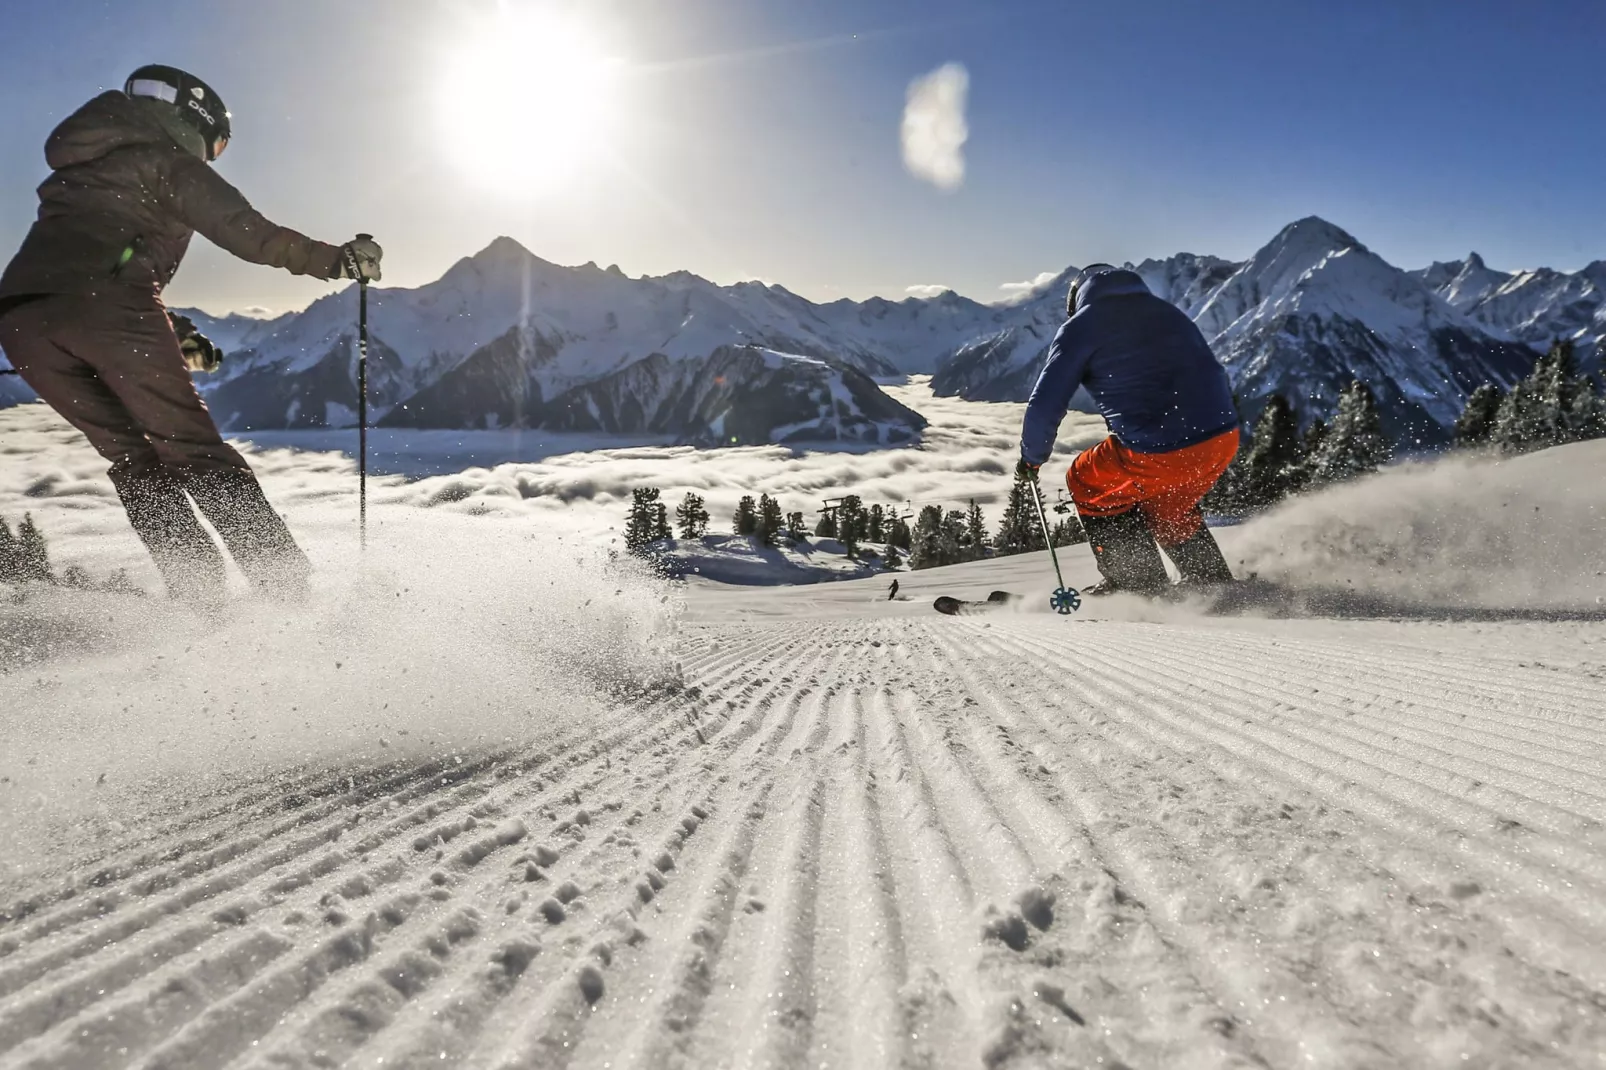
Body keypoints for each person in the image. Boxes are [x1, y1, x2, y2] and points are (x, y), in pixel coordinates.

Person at [0, 65, 382, 606]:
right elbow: (246, 231)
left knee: (135, 461)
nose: (213, 154)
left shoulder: (80, 166)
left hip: (19, 321)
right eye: (218, 144)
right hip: (110, 310)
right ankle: (287, 593)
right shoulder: (169, 161)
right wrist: (336, 261)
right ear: (196, 119)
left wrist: (173, 330)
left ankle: (196, 598)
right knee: (194, 451)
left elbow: (90, 264)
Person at [1017, 264, 1239, 596]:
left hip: (1161, 447)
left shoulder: (1082, 326)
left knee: (1087, 480)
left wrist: (1031, 458)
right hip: (1222, 438)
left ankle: (1138, 584)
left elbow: (1046, 402)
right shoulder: (1168, 313)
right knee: (1169, 505)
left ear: (1076, 299)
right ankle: (1212, 582)